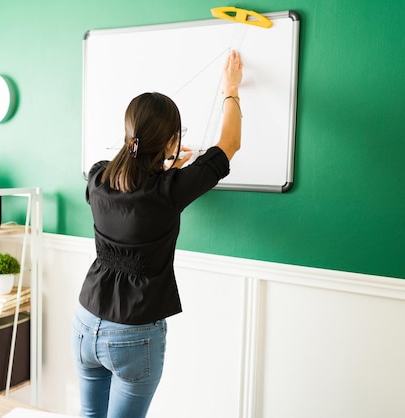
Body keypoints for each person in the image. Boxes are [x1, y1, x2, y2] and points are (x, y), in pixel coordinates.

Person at [72, 50, 243, 418]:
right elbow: (228, 144)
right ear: (171, 141)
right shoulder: (170, 190)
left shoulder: (97, 177)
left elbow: (129, 173)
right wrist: (231, 89)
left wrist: (165, 165)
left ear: (128, 134)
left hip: (85, 321)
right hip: (133, 333)